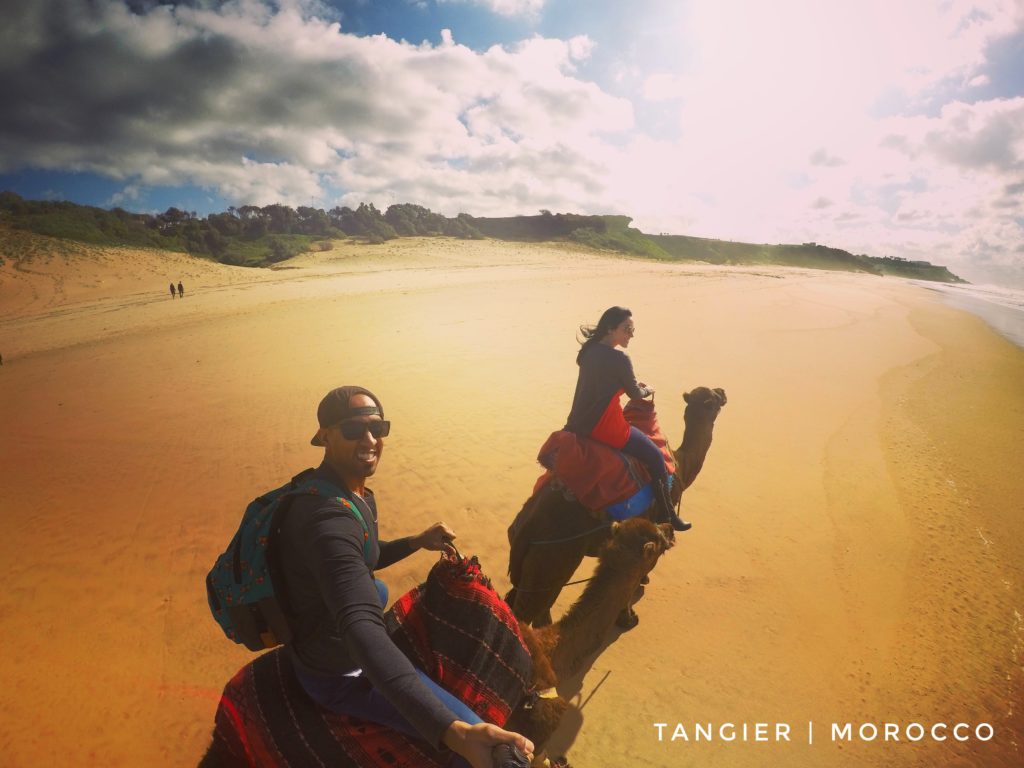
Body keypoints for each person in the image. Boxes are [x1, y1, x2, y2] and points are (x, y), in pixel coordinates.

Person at [277, 386, 533, 768]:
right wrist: (459, 733)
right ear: (325, 436)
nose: (370, 440)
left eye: (378, 428)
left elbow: (364, 555)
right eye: (352, 430)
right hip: (340, 670)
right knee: (487, 755)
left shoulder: (347, 491)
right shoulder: (327, 520)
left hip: (329, 623)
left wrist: (417, 541)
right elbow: (361, 629)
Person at [565, 306, 690, 532]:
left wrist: (628, 384)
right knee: (654, 456)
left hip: (577, 422)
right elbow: (634, 393)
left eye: (633, 329)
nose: (631, 334)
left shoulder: (589, 350)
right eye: (627, 329)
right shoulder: (620, 358)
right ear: (610, 328)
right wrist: (646, 389)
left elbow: (603, 383)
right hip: (604, 426)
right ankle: (668, 513)